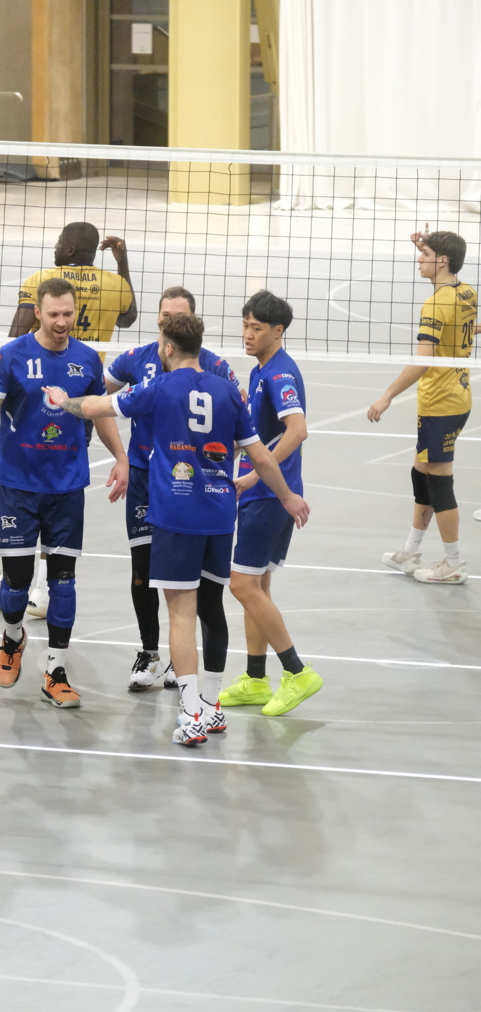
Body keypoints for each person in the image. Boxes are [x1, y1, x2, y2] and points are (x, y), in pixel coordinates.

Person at [46, 312, 309, 745]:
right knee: (213, 607)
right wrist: (287, 496)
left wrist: (63, 401)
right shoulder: (228, 391)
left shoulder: (158, 387)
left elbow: (94, 406)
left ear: (167, 348)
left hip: (176, 514)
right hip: (220, 516)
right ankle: (212, 706)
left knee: (182, 612)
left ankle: (190, 714)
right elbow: (261, 456)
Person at [0, 277, 129, 709]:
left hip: (66, 487)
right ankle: (12, 638)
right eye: (54, 314)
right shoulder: (11, 355)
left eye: (68, 314)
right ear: (38, 313)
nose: (62, 322)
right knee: (15, 589)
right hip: (18, 485)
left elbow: (100, 412)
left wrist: (121, 457)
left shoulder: (87, 359)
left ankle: (56, 670)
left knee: (64, 583)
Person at [0, 220, 138, 617]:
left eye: (60, 241)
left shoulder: (41, 281)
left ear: (71, 249)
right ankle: (39, 586)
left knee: (29, 484)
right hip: (84, 398)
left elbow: (15, 337)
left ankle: (20, 579)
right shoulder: (114, 284)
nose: (56, 245)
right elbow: (127, 318)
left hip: (35, 393)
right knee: (58, 487)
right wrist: (122, 262)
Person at [104, 284, 240, 691]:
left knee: (196, 589)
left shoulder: (213, 366)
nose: (169, 322)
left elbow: (242, 419)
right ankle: (150, 654)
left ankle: (190, 677)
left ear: (192, 322)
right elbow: (99, 398)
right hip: (145, 479)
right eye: (164, 316)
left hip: (191, 487)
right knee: (143, 571)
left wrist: (216, 464)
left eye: (178, 317)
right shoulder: (136, 358)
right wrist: (120, 457)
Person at [219, 291, 323, 717]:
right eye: (245, 325)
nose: (247, 334)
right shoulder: (262, 367)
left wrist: (255, 474)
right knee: (257, 586)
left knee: (241, 585)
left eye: (256, 328)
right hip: (267, 494)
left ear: (278, 331)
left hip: (268, 496)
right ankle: (256, 679)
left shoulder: (279, 373)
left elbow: (297, 430)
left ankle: (297, 672)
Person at [369, 227, 477, 585]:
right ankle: (411, 551)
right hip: (456, 397)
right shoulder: (467, 292)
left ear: (442, 260)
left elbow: (422, 360)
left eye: (425, 254)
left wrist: (387, 395)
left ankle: (453, 562)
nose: (418, 259)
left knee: (439, 483)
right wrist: (428, 246)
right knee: (421, 473)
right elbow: (465, 325)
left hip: (442, 403)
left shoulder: (435, 304)